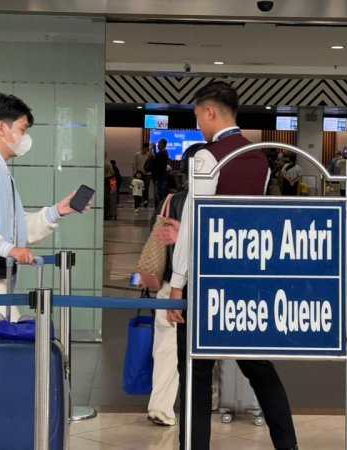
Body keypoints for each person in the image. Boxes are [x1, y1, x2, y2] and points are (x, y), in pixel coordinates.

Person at [165, 81, 298, 450]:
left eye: (198, 117)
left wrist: (178, 281)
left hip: (206, 279)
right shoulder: (259, 157)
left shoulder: (209, 157)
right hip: (245, 280)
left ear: (210, 112)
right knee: (258, 367)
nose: (199, 126)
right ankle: (288, 444)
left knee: (195, 373)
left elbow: (193, 223)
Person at [0, 92, 87, 389]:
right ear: (1, 129)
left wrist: (58, 211)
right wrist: (8, 248)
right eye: (22, 129)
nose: (25, 138)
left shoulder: (1, 173)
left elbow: (20, 232)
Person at [147, 142, 207, 428]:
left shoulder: (172, 200)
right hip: (204, 288)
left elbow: (156, 235)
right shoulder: (215, 202)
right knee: (207, 351)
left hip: (169, 285)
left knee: (166, 349)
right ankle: (208, 403)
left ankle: (161, 407)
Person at [152, 139, 170, 209]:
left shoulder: (162, 153)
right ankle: (160, 206)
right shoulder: (163, 153)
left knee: (159, 193)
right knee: (160, 192)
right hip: (161, 176)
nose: (158, 145)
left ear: (163, 145)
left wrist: (153, 149)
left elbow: (156, 160)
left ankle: (160, 207)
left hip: (160, 177)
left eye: (159, 144)